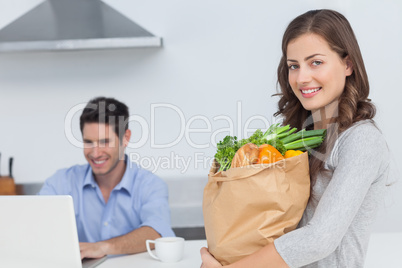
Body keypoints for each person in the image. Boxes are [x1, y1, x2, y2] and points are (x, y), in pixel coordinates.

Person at [201, 9, 390, 268]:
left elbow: (319, 239)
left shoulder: (361, 140)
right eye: (294, 66)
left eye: (316, 62)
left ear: (348, 64)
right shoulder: (299, 137)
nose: (302, 78)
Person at [39, 96, 175, 259]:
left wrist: (103, 247)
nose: (95, 153)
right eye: (88, 142)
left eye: (104, 142)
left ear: (126, 138)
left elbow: (157, 232)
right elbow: (35, 223)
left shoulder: (150, 185)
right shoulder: (61, 182)